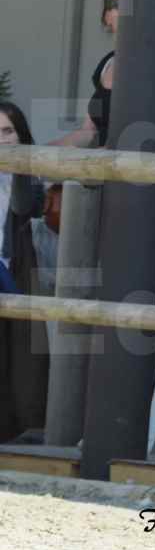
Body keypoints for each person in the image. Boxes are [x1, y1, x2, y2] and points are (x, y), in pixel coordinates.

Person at [0, 101, 50, 442]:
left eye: (7, 132)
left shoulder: (29, 174)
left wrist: (18, 166)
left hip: (13, 270)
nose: (2, 140)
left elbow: (23, 206)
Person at [51, 0, 118, 148]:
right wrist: (43, 151)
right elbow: (88, 131)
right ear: (107, 16)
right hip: (102, 168)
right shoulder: (107, 64)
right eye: (119, 5)